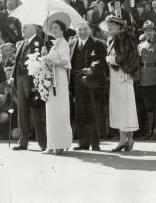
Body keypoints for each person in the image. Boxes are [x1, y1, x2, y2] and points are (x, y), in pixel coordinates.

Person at [99, 15, 139, 151]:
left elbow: (131, 56)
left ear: (119, 26)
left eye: (112, 25)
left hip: (124, 74)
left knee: (125, 107)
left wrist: (114, 59)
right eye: (108, 24)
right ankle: (127, 140)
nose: (109, 27)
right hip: (116, 75)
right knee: (122, 107)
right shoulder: (112, 39)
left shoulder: (125, 38)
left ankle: (126, 140)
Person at [69, 22, 107, 151]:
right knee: (80, 114)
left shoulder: (98, 43)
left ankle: (95, 144)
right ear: (76, 31)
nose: (82, 32)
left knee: (93, 114)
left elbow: (103, 61)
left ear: (89, 30)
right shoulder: (72, 44)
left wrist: (93, 68)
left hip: (93, 84)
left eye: (85, 29)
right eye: (79, 29)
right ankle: (83, 143)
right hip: (77, 84)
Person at [11, 24, 47, 151]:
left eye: (25, 27)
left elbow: (42, 62)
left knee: (36, 112)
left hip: (32, 81)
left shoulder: (40, 42)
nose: (22, 29)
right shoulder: (22, 43)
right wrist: (12, 77)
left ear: (33, 29)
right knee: (22, 112)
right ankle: (23, 141)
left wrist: (37, 83)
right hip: (20, 80)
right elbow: (16, 62)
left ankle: (43, 143)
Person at [41, 20, 73, 154]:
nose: (53, 30)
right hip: (51, 79)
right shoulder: (54, 45)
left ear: (62, 30)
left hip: (59, 79)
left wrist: (49, 60)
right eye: (52, 28)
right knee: (51, 111)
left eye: (56, 27)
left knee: (60, 111)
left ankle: (60, 144)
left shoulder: (64, 43)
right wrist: (44, 56)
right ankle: (51, 144)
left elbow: (66, 62)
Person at [138, 20, 156, 140]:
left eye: (150, 30)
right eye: (146, 31)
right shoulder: (140, 45)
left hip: (155, 78)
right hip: (143, 78)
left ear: (154, 32)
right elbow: (137, 63)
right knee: (147, 106)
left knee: (155, 105)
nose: (148, 32)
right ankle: (149, 130)